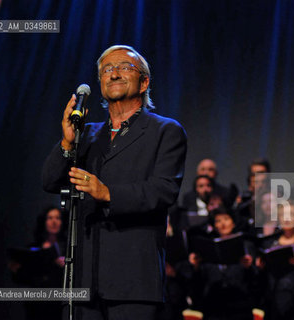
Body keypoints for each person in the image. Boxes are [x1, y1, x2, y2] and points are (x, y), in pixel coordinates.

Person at [42, 45, 187, 319]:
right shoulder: (87, 134)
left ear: (144, 82)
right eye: (107, 70)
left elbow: (164, 191)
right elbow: (49, 180)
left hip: (133, 283)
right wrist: (66, 143)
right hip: (82, 281)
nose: (114, 74)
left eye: (123, 67)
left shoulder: (165, 131)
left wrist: (108, 193)